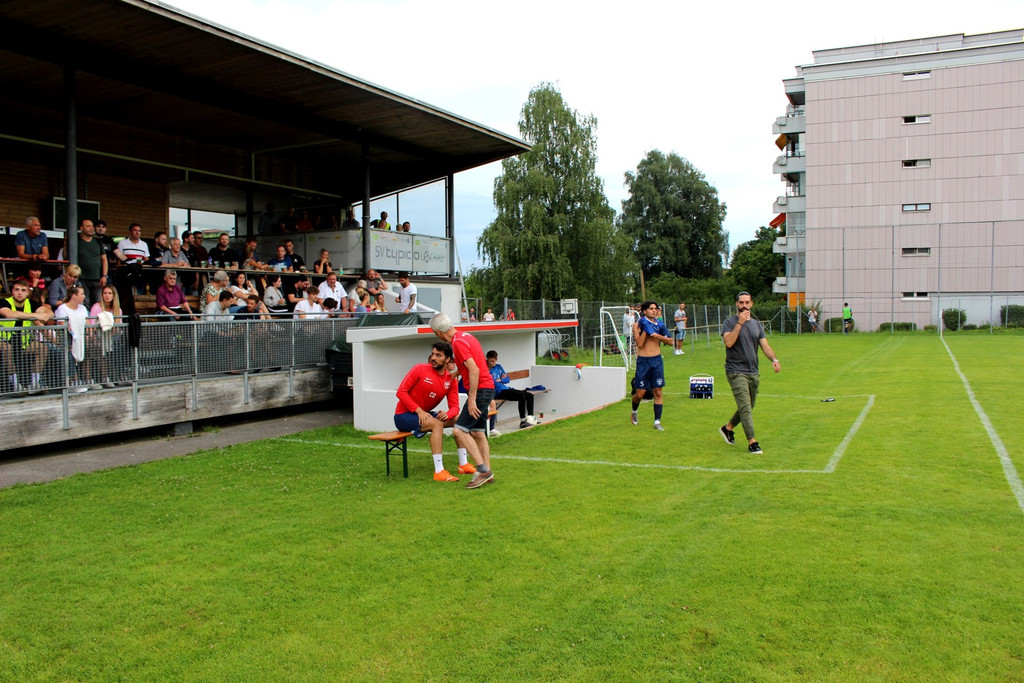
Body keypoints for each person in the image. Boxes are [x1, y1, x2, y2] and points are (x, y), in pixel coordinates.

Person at [429, 312, 496, 490]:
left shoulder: (457, 343)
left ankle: (482, 471)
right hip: (487, 388)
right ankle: (488, 472)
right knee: (478, 432)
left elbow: (474, 370)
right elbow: (476, 363)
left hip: (481, 390)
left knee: (459, 431)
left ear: (438, 333)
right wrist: (455, 374)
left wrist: (472, 399)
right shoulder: (466, 337)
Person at [394, 341, 474, 482]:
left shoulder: (451, 379)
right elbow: (401, 392)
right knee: (437, 424)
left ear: (447, 359)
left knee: (458, 419)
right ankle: (439, 471)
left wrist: (447, 415)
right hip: (403, 415)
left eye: (438, 355)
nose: (434, 358)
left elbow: (455, 407)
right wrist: (419, 411)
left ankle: (463, 464)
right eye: (433, 354)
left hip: (425, 414)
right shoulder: (419, 369)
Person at [719, 291, 782, 455]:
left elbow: (765, 346)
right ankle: (752, 442)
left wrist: (774, 359)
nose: (744, 306)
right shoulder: (729, 323)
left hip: (753, 371)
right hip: (735, 371)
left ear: (751, 304)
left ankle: (728, 428)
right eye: (741, 303)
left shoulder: (756, 325)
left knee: (749, 405)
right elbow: (728, 342)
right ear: (736, 304)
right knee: (745, 407)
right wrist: (739, 323)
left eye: (747, 302)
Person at [0, 279, 52, 393]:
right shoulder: (3, 302)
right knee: (7, 348)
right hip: (4, 340)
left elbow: (48, 312)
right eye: (17, 290)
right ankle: (15, 386)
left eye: (23, 290)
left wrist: (46, 314)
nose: (20, 293)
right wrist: (36, 316)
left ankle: (34, 384)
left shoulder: (31, 303)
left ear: (28, 292)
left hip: (24, 343)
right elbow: (9, 314)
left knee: (42, 348)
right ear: (12, 291)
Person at [630, 300, 672, 430]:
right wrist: (646, 330)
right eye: (651, 308)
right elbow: (640, 344)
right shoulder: (637, 325)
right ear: (644, 311)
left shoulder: (660, 324)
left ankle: (657, 421)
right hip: (643, 362)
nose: (654, 311)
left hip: (656, 361)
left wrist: (658, 336)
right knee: (640, 394)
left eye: (655, 308)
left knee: (658, 392)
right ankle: (634, 411)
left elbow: (671, 341)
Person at [55, 285, 93, 392]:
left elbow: (88, 323)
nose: (84, 296)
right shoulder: (62, 308)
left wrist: (89, 335)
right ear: (74, 296)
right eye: (82, 294)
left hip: (82, 337)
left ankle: (87, 380)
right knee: (69, 351)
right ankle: (72, 381)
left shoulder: (83, 308)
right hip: (66, 339)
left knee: (91, 347)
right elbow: (62, 325)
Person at [486, 350, 537, 430]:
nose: (491, 363)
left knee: (529, 395)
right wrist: (500, 380)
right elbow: (494, 383)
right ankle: (522, 421)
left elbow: (507, 380)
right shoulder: (487, 370)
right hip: (498, 392)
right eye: (489, 361)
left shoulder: (499, 367)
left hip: (506, 389)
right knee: (521, 396)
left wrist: (500, 380)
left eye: (493, 361)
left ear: (496, 359)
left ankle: (531, 419)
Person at [88, 284, 122, 388]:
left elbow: (119, 327)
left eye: (109, 293)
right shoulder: (96, 307)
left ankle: (119, 376)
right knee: (99, 347)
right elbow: (91, 324)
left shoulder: (118, 310)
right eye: (105, 293)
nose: (107, 295)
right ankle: (104, 377)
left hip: (112, 336)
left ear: (114, 295)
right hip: (97, 336)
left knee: (120, 345)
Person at [76, 219, 108, 307]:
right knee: (84, 303)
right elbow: (66, 256)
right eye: (88, 226)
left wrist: (104, 275)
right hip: (82, 278)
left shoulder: (98, 242)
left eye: (92, 226)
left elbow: (104, 259)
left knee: (97, 304)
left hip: (97, 279)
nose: (91, 228)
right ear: (81, 228)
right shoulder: (77, 241)